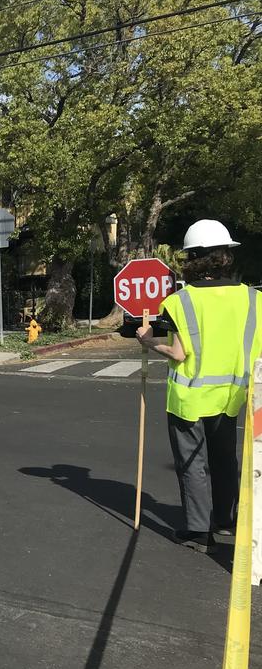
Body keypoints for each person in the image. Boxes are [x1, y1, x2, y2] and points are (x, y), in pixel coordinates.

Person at [136, 219, 262, 553]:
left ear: (192, 258)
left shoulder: (179, 302)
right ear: (225, 256)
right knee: (224, 459)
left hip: (189, 398)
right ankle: (224, 520)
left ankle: (197, 531)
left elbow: (179, 352)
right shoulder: (252, 299)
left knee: (193, 463)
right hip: (234, 395)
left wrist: (149, 342)